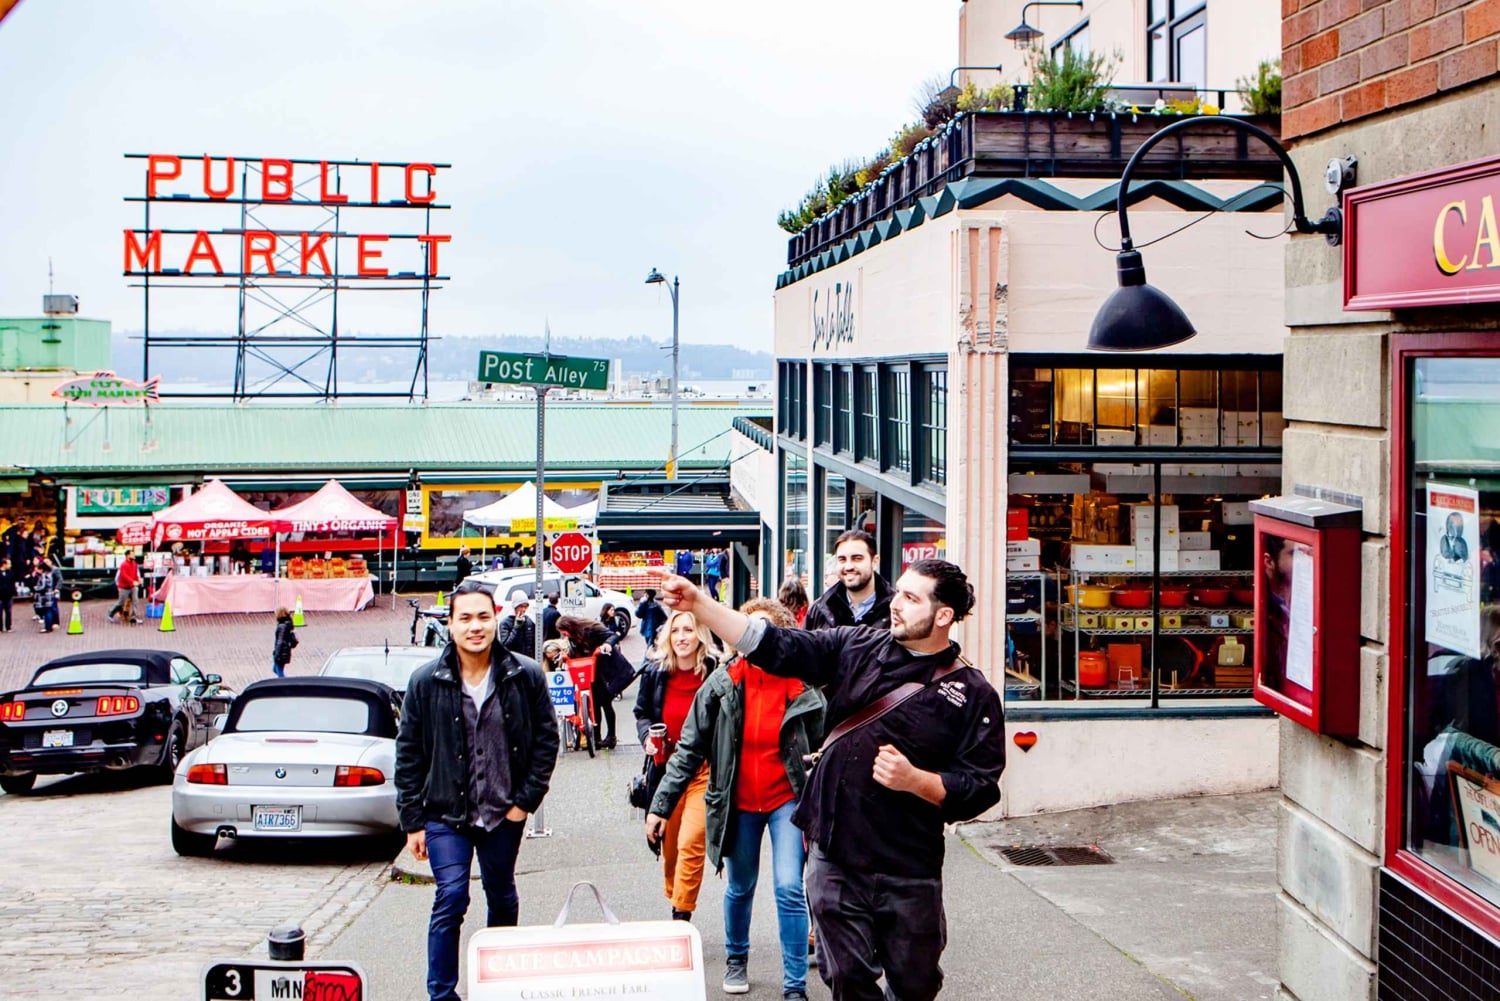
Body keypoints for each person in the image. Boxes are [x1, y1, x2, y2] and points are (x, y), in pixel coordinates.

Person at [655, 559, 1006, 1001]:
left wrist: (918, 781)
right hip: (835, 854)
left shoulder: (972, 692)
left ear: (944, 616)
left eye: (911, 598)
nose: (896, 604)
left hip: (910, 868)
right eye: (897, 592)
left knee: (915, 984)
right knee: (848, 980)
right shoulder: (858, 645)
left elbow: (982, 786)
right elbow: (776, 644)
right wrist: (700, 605)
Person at [646, 599, 825, 1000]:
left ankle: (795, 985)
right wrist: (660, 806)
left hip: (786, 801)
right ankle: (736, 959)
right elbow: (689, 749)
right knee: (741, 886)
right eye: (748, 630)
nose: (754, 640)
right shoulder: (722, 684)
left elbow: (829, 745)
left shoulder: (801, 687)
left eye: (765, 632)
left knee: (788, 888)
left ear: (781, 638)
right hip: (738, 800)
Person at [395, 579, 561, 1001]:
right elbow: (409, 753)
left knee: (502, 896)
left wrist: (526, 802)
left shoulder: (523, 674)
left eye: (483, 617)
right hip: (445, 814)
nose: (475, 626)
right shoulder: (425, 681)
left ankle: (498, 986)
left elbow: (546, 740)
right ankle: (442, 993)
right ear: (450, 625)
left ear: (496, 619)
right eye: (465, 618)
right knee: (451, 896)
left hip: (502, 812)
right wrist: (413, 821)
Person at [634, 609, 721, 921]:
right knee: (669, 848)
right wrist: (647, 736)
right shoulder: (656, 673)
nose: (682, 637)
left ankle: (681, 915)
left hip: (704, 770)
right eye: (676, 631)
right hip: (666, 770)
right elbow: (642, 712)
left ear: (700, 635)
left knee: (691, 842)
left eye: (689, 630)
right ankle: (676, 894)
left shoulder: (715, 671)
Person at [557, 614, 633, 749]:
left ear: (569, 627)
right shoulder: (573, 637)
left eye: (564, 632)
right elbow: (578, 653)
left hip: (608, 670)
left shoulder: (591, 629)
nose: (564, 635)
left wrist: (607, 645)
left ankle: (611, 736)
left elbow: (613, 635)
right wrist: (566, 656)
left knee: (606, 702)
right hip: (592, 671)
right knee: (595, 703)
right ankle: (596, 738)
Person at [803, 529, 892, 631]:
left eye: (857, 558)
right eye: (842, 559)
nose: (848, 566)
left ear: (875, 562)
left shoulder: (897, 609)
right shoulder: (820, 609)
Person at [497, 592, 537, 657]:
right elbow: (506, 645)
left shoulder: (529, 620)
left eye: (525, 606)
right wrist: (517, 626)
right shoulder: (505, 623)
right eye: (521, 606)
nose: (523, 609)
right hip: (514, 660)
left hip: (528, 659)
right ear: (515, 607)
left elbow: (534, 642)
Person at [109, 557, 141, 624]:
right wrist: (119, 587)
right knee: (121, 602)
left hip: (133, 587)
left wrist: (137, 582)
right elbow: (118, 578)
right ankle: (111, 613)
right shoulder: (123, 566)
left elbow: (137, 575)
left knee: (135, 601)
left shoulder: (135, 565)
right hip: (124, 587)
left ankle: (133, 617)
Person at [34, 559, 61, 633]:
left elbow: (42, 586)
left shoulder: (44, 576)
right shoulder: (48, 574)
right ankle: (50, 626)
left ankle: (48, 627)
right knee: (49, 610)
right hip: (50, 595)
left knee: (47, 612)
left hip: (45, 596)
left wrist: (36, 588)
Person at [272, 607, 298, 677]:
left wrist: (277, 654)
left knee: (279, 672)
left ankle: (283, 684)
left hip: (281, 653)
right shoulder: (287, 624)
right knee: (275, 669)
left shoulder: (282, 626)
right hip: (285, 652)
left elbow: (280, 641)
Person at [0, 557, 15, 633]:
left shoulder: (10, 572)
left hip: (8, 595)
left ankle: (8, 627)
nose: (10, 565)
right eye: (8, 563)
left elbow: (12, 582)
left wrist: (13, 592)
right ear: (4, 564)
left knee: (8, 612)